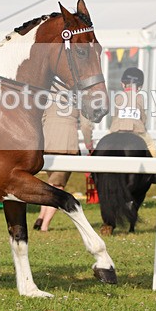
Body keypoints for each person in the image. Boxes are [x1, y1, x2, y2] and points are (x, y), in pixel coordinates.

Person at [33, 85, 94, 231]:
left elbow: (41, 118)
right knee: (59, 186)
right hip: (66, 143)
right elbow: (86, 125)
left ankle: (41, 217)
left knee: (51, 183)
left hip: (48, 143)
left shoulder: (49, 92)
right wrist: (88, 143)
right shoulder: (80, 94)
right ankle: (45, 226)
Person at [109, 67, 156, 157]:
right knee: (151, 145)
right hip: (136, 130)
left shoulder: (117, 97)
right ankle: (155, 168)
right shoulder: (140, 98)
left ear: (122, 84)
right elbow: (143, 118)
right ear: (140, 87)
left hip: (117, 128)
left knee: (102, 141)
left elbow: (114, 116)